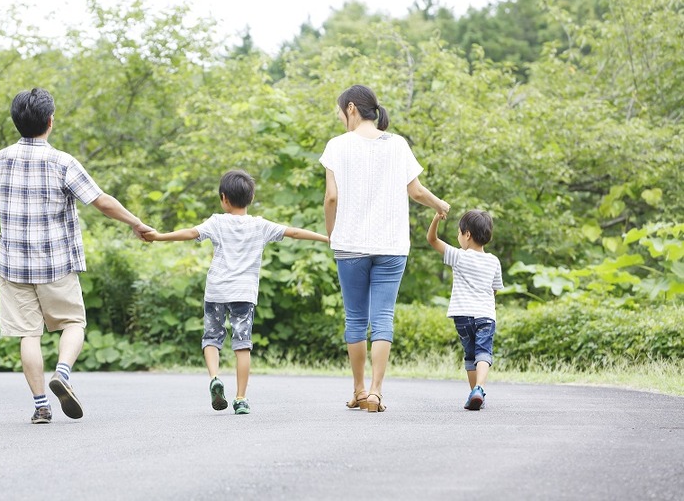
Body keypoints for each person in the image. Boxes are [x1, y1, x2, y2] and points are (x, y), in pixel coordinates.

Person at [0, 87, 152, 424]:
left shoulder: (0, 159)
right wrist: (136, 223)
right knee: (73, 322)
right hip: (56, 262)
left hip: (14, 264)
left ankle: (41, 405)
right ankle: (63, 373)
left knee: (29, 334)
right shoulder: (62, 162)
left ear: (16, 122)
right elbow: (101, 201)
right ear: (50, 121)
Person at [143, 169, 329, 414]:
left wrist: (158, 236)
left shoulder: (217, 222)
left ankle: (214, 378)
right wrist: (327, 238)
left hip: (216, 291)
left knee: (211, 338)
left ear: (224, 198)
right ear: (250, 198)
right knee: (242, 345)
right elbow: (293, 231)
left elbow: (190, 233)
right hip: (243, 294)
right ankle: (241, 398)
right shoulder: (260, 226)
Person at [320, 84, 450, 413]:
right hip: (391, 244)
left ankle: (359, 390)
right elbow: (416, 190)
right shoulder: (397, 144)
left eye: (340, 112)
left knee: (355, 318)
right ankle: (377, 391)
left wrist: (332, 232)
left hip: (350, 244)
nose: (340, 119)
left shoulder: (337, 146)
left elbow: (331, 197)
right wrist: (440, 205)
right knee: (382, 319)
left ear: (351, 108)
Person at [427, 209, 504, 410]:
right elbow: (494, 290)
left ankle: (475, 394)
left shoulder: (459, 256)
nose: (458, 237)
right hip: (485, 315)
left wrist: (436, 218)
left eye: (459, 233)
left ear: (467, 234)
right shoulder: (494, 261)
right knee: (483, 352)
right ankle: (478, 389)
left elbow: (432, 239)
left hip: (463, 315)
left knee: (470, 355)